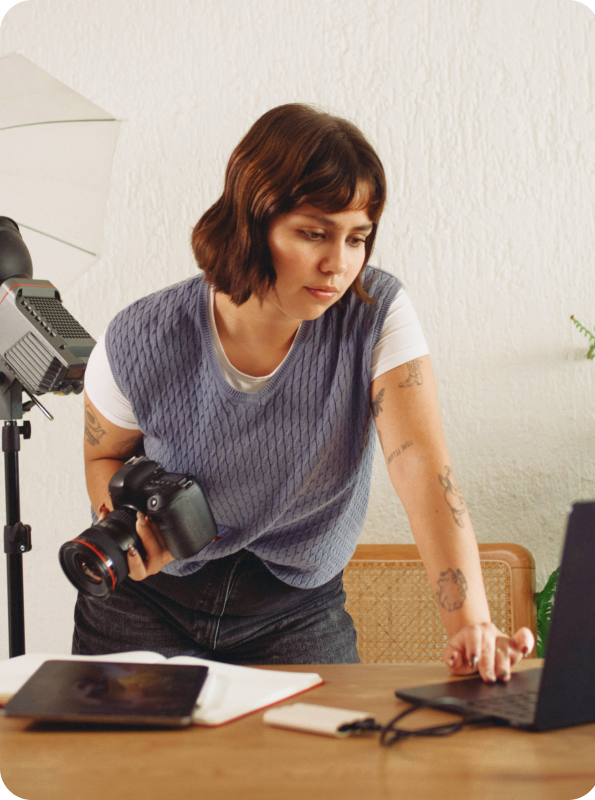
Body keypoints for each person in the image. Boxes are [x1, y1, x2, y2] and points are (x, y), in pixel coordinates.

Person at [78, 103, 534, 678]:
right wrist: (132, 532)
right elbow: (105, 454)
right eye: (314, 233)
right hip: (146, 605)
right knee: (122, 766)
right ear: (251, 221)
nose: (337, 265)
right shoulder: (140, 337)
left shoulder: (374, 314)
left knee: (324, 764)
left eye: (356, 238)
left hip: (294, 610)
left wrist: (469, 623)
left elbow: (419, 462)